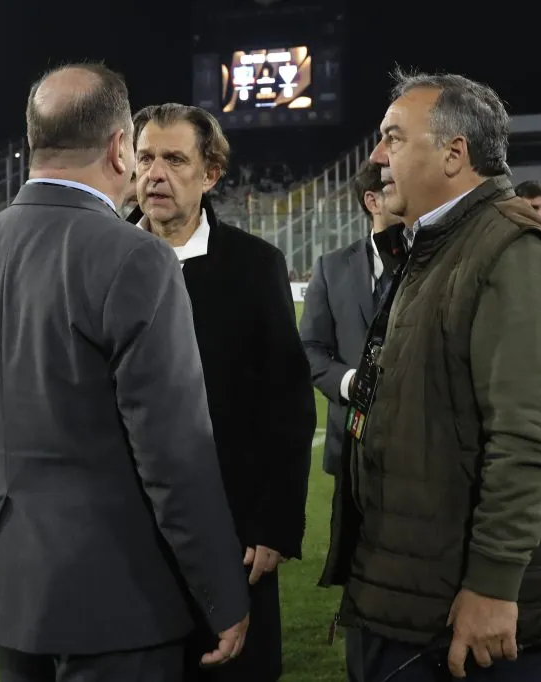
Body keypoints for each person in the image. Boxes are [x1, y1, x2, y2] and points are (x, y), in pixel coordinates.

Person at [0, 64, 250, 682]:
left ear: (33, 140)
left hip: (10, 580)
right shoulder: (137, 256)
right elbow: (174, 454)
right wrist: (222, 592)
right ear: (120, 146)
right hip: (118, 596)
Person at [319, 69, 541, 682]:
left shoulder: (513, 251)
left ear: (455, 153)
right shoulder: (443, 244)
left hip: (460, 607)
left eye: (393, 137)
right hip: (415, 584)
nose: (377, 157)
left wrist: (494, 586)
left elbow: (527, 441)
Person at [126, 102, 316, 682]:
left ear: (209, 174)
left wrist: (274, 524)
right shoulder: (101, 259)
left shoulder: (255, 267)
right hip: (122, 538)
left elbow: (286, 405)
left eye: (174, 159)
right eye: (145, 158)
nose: (155, 174)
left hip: (232, 535)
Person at [299, 159, 403, 479]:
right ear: (373, 201)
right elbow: (310, 350)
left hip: (418, 446)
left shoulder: (431, 261)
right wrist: (351, 383)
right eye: (398, 188)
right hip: (349, 442)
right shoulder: (331, 268)